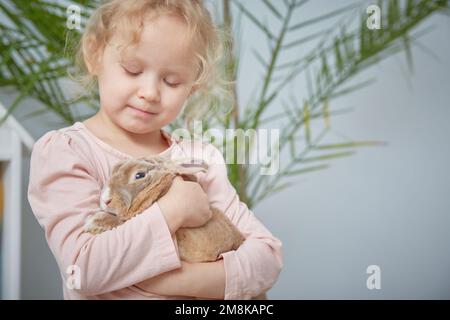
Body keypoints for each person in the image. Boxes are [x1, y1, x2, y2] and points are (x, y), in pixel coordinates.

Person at [28, 0, 282, 300]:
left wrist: (174, 282)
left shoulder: (199, 160)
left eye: (172, 81)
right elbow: (83, 269)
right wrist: (173, 210)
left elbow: (268, 258)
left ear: (193, 86)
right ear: (95, 53)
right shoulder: (67, 152)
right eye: (132, 70)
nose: (149, 92)